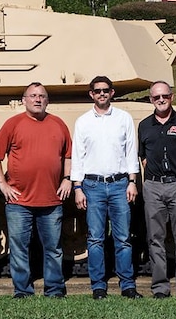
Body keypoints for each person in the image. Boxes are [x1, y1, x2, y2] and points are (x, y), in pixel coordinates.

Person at [0, 82, 72, 299]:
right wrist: (2, 184)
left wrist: (67, 179)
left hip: (51, 199)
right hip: (19, 200)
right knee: (19, 248)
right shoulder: (13, 124)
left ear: (48, 100)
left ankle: (54, 289)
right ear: (24, 100)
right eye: (33, 95)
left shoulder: (58, 124)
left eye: (42, 96)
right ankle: (23, 291)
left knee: (54, 248)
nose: (38, 99)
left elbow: (68, 155)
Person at [70, 76, 141, 300]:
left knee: (123, 238)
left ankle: (127, 284)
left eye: (105, 90)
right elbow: (77, 156)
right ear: (91, 94)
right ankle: (98, 286)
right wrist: (77, 187)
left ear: (112, 92)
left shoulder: (124, 118)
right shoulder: (83, 122)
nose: (101, 94)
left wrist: (132, 181)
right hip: (92, 185)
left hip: (119, 183)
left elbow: (131, 151)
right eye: (97, 91)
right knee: (95, 239)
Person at [138, 80, 176, 301]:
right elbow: (143, 155)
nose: (161, 100)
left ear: (172, 97)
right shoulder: (145, 125)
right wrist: (155, 174)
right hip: (154, 186)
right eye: (156, 97)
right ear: (151, 99)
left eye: (164, 96)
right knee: (155, 239)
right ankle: (160, 288)